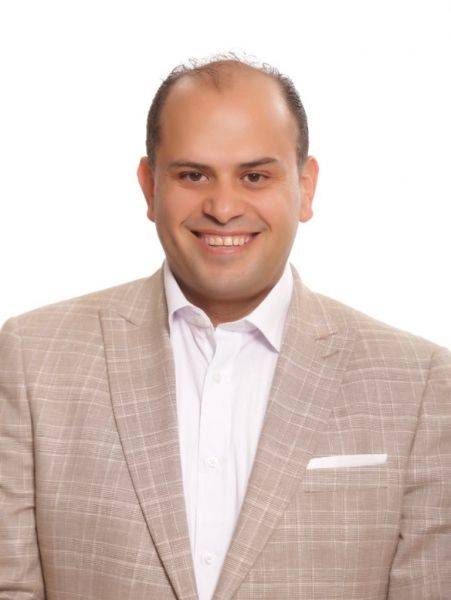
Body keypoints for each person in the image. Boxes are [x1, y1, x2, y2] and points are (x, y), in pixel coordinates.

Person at [0, 54, 450, 600]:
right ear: (149, 186)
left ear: (305, 187)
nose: (223, 206)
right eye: (193, 175)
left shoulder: (420, 383)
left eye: (255, 176)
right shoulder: (31, 360)